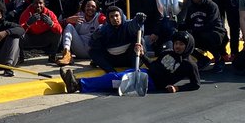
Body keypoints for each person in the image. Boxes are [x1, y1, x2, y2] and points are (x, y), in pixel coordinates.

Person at [62, 31, 200, 95]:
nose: (178, 46)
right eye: (176, 43)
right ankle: (78, 84)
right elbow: (153, 66)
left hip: (152, 84)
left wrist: (177, 88)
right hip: (145, 73)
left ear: (188, 46)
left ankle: (78, 84)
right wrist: (142, 54)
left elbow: (196, 84)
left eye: (182, 44)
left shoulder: (189, 64)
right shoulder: (168, 52)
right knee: (115, 79)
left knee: (116, 80)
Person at [178, 0, 226, 71]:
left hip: (215, 33)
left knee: (206, 36)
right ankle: (203, 59)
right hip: (198, 32)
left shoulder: (212, 6)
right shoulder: (191, 8)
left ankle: (219, 59)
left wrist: (194, 31)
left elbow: (211, 24)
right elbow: (188, 23)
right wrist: (178, 27)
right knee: (184, 40)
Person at [88, 5, 144, 73]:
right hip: (112, 61)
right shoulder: (104, 29)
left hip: (129, 59)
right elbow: (92, 45)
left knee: (139, 42)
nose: (114, 18)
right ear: (108, 19)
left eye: (116, 15)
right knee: (92, 51)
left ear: (121, 16)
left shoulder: (128, 25)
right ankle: (111, 72)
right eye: (111, 17)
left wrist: (138, 21)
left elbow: (136, 27)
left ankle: (134, 70)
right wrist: (94, 38)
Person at [56, 0, 106, 65]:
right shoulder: (78, 16)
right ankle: (66, 54)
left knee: (102, 27)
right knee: (69, 26)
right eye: (88, 6)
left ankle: (99, 58)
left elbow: (109, 24)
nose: (90, 8)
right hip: (79, 48)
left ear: (96, 9)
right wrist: (67, 20)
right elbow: (58, 26)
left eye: (93, 6)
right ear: (84, 7)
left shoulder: (99, 17)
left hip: (93, 49)